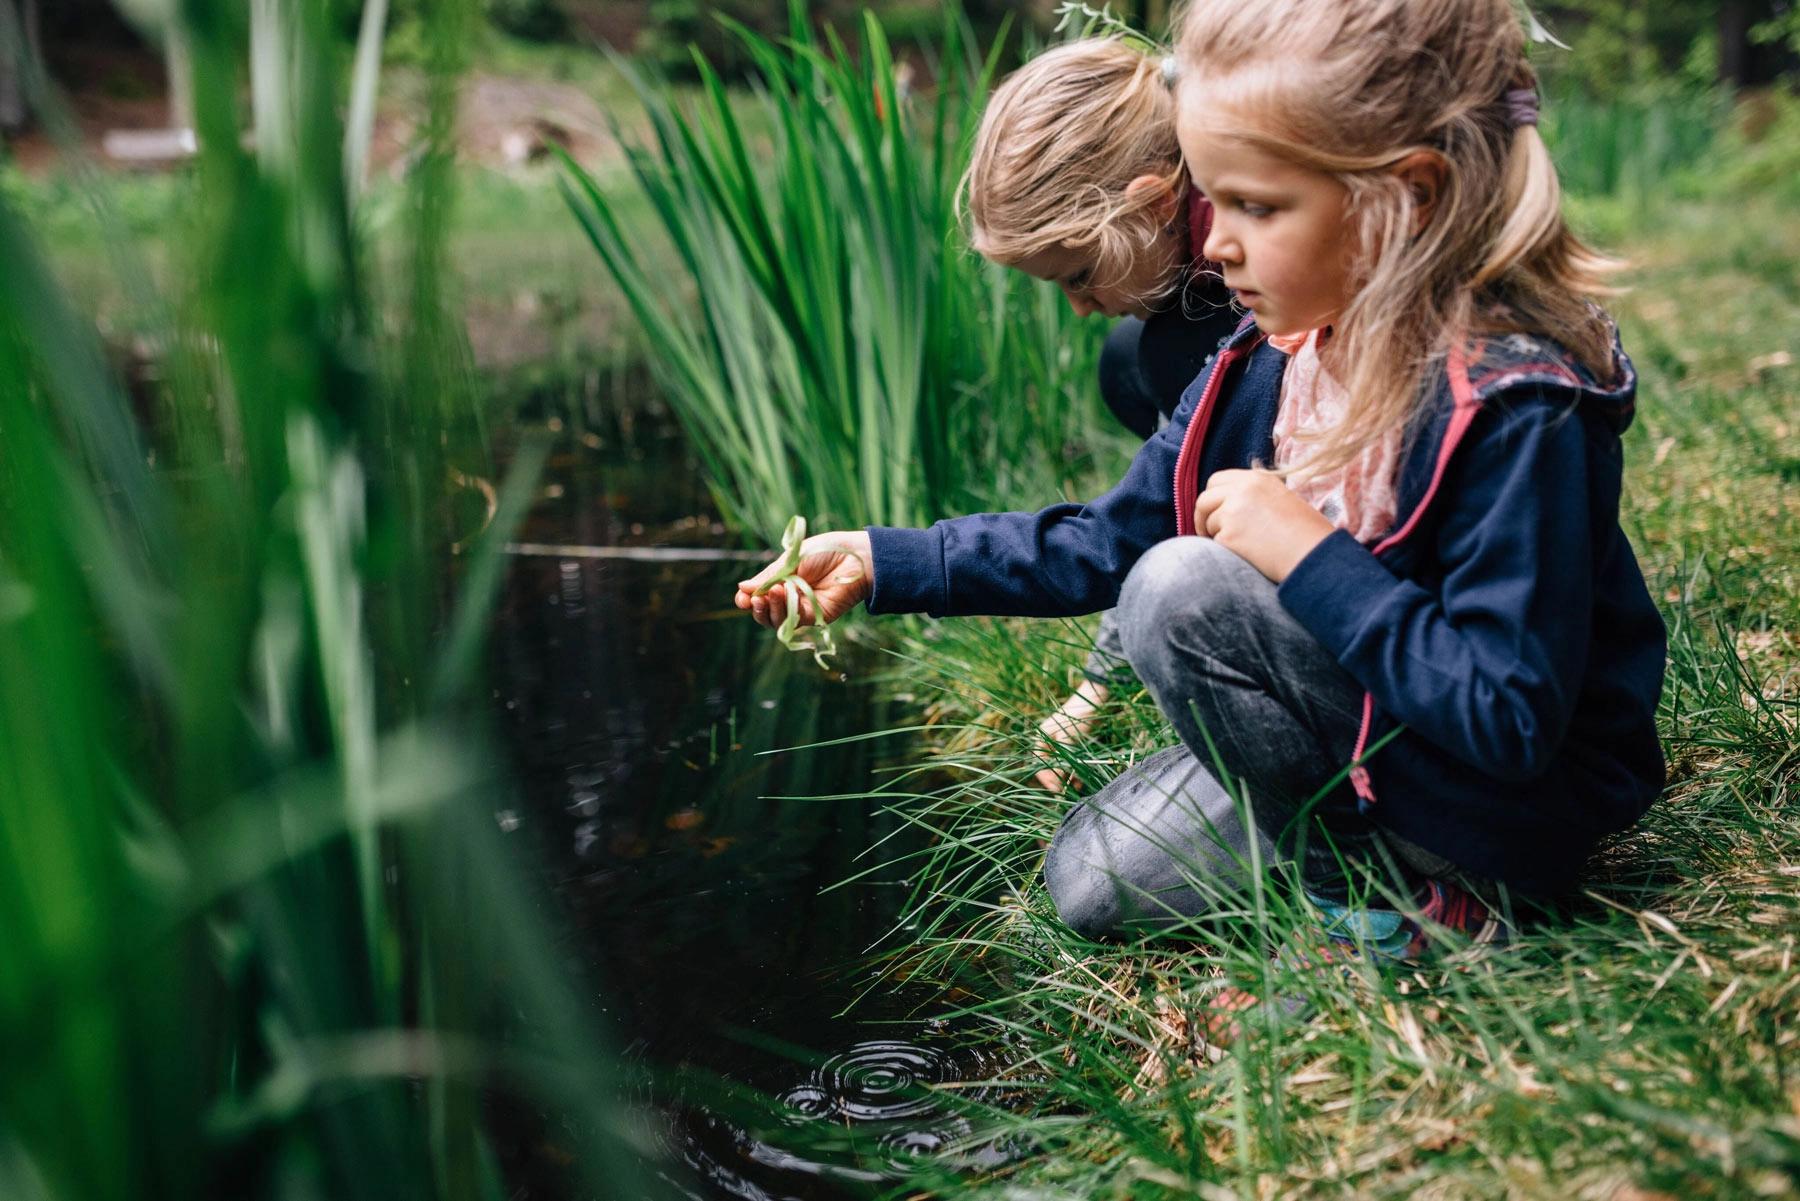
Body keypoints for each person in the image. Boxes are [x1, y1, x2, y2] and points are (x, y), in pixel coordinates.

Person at [734, 0, 1666, 992]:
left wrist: (1306, 555)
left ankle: (1387, 909)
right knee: (1090, 883)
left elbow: (1509, 717)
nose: (1215, 244)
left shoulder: (1514, 408)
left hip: (1505, 798)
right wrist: (887, 560)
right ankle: (1342, 825)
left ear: (1409, 197)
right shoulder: (1272, 352)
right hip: (1368, 729)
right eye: (1214, 201)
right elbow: (1104, 537)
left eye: (1256, 207)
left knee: (1179, 589)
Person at [960, 38, 1241, 792]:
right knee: (1127, 357)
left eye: (1080, 274)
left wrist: (1100, 681)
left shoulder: (1250, 264)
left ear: (1153, 203)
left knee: (1163, 355)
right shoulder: (1207, 191)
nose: (1078, 305)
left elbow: (1123, 536)